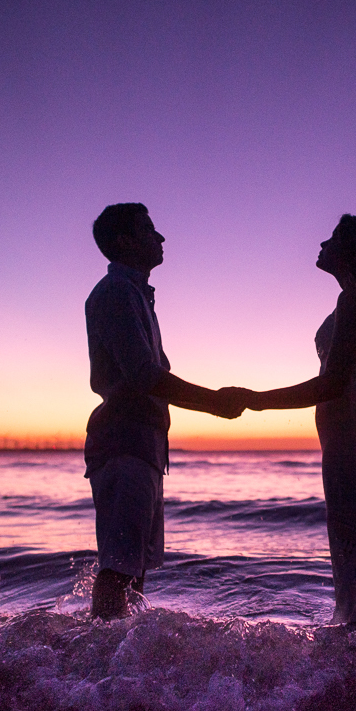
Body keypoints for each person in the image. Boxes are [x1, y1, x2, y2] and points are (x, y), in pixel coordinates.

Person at [228, 215, 356, 623]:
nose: (322, 242)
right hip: (355, 440)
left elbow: (332, 384)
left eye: (333, 237)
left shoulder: (355, 301)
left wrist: (258, 400)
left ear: (351, 250)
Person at [84, 202, 244, 620]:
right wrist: (215, 403)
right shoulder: (118, 293)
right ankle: (98, 663)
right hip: (125, 444)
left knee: (132, 570)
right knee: (120, 570)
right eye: (149, 230)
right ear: (124, 241)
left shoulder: (136, 295)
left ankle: (120, 665)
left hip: (145, 446)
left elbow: (152, 375)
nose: (160, 238)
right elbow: (145, 375)